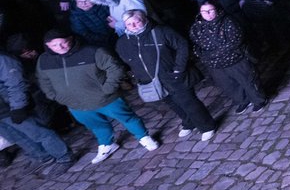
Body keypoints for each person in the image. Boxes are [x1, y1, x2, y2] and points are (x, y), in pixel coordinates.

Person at [36, 30, 159, 164]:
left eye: (63, 43)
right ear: (47, 45)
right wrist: (54, 96)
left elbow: (115, 68)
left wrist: (109, 88)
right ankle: (107, 144)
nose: (60, 48)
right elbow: (43, 79)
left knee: (128, 118)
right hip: (75, 104)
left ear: (70, 38)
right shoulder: (44, 60)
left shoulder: (93, 51)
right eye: (54, 45)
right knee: (96, 126)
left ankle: (144, 137)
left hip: (105, 98)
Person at [115, 9, 217, 142]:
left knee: (188, 102)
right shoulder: (123, 42)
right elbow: (126, 59)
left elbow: (182, 46)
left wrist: (178, 69)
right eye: (129, 24)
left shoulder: (161, 31)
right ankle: (188, 123)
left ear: (144, 19)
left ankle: (207, 126)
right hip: (152, 81)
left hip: (172, 75)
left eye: (137, 21)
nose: (133, 26)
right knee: (173, 103)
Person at [0, 43, 72, 166]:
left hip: (11, 106)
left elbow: (15, 82)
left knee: (39, 133)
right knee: (17, 137)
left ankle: (64, 156)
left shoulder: (3, 59)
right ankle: (43, 157)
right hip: (1, 112)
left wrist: (18, 107)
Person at [187, 0, 266, 113]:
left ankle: (258, 100)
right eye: (204, 12)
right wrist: (203, 55)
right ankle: (242, 100)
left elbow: (235, 41)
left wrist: (212, 54)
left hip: (235, 59)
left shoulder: (228, 21)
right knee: (229, 85)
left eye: (210, 10)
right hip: (214, 65)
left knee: (247, 80)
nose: (207, 14)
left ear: (216, 10)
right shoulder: (196, 28)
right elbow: (196, 45)